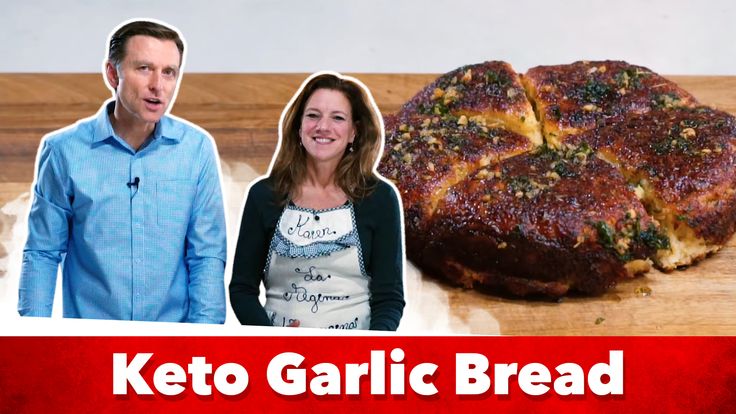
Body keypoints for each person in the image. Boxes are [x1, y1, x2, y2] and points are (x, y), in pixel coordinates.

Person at [17, 19, 227, 323]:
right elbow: (43, 251)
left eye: (169, 72)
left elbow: (206, 256)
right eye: (144, 68)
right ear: (112, 73)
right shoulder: (64, 150)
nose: (158, 85)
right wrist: (32, 343)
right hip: (89, 344)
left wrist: (204, 342)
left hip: (173, 352)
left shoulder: (196, 150)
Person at [230, 72, 405, 330]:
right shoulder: (264, 195)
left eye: (337, 117)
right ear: (298, 127)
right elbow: (242, 290)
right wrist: (270, 342)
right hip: (278, 359)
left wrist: (370, 349)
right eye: (313, 115)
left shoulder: (379, 198)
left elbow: (389, 299)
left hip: (355, 361)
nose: (323, 127)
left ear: (354, 132)